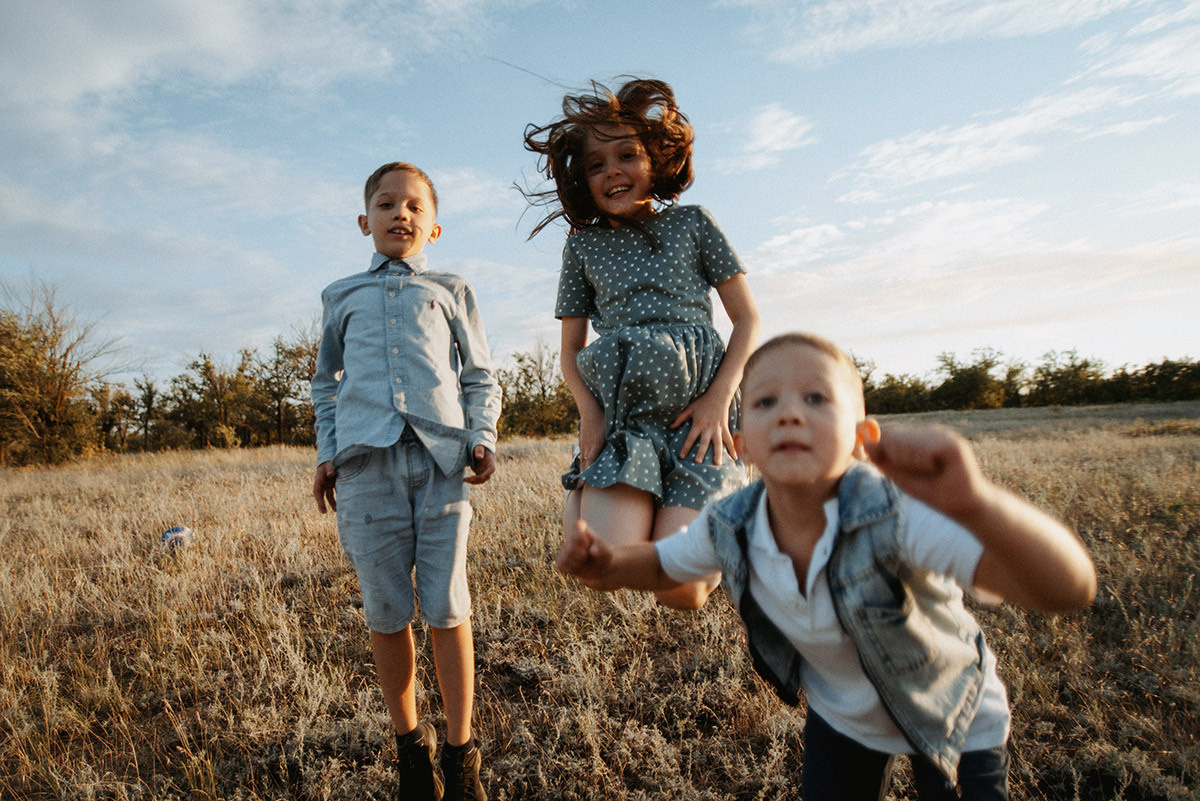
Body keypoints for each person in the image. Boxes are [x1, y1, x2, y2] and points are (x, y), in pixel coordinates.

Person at [556, 332, 1097, 799]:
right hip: (844, 720)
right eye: (765, 401)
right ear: (742, 446)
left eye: (816, 397)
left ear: (863, 438)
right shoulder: (731, 523)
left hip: (951, 714)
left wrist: (977, 505)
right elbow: (661, 567)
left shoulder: (893, 515)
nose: (790, 413)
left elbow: (1068, 590)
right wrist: (606, 564)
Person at [523, 77, 761, 610]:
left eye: (626, 155)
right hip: (626, 424)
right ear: (583, 181)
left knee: (681, 591)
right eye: (596, 165)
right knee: (604, 569)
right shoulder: (583, 247)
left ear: (655, 159)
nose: (612, 171)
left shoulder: (693, 223)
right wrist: (590, 415)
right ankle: (584, 490)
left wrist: (719, 400)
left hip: (700, 423)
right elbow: (569, 350)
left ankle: (731, 512)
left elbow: (747, 320)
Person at [311, 161, 502, 801]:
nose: (401, 214)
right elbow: (325, 386)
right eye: (387, 204)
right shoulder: (341, 296)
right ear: (364, 222)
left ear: (435, 227)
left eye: (416, 206)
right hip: (365, 470)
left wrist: (481, 436)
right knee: (387, 612)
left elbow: (479, 375)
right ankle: (411, 751)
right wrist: (327, 453)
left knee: (448, 607)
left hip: (443, 465)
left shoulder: (452, 289)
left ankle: (461, 754)